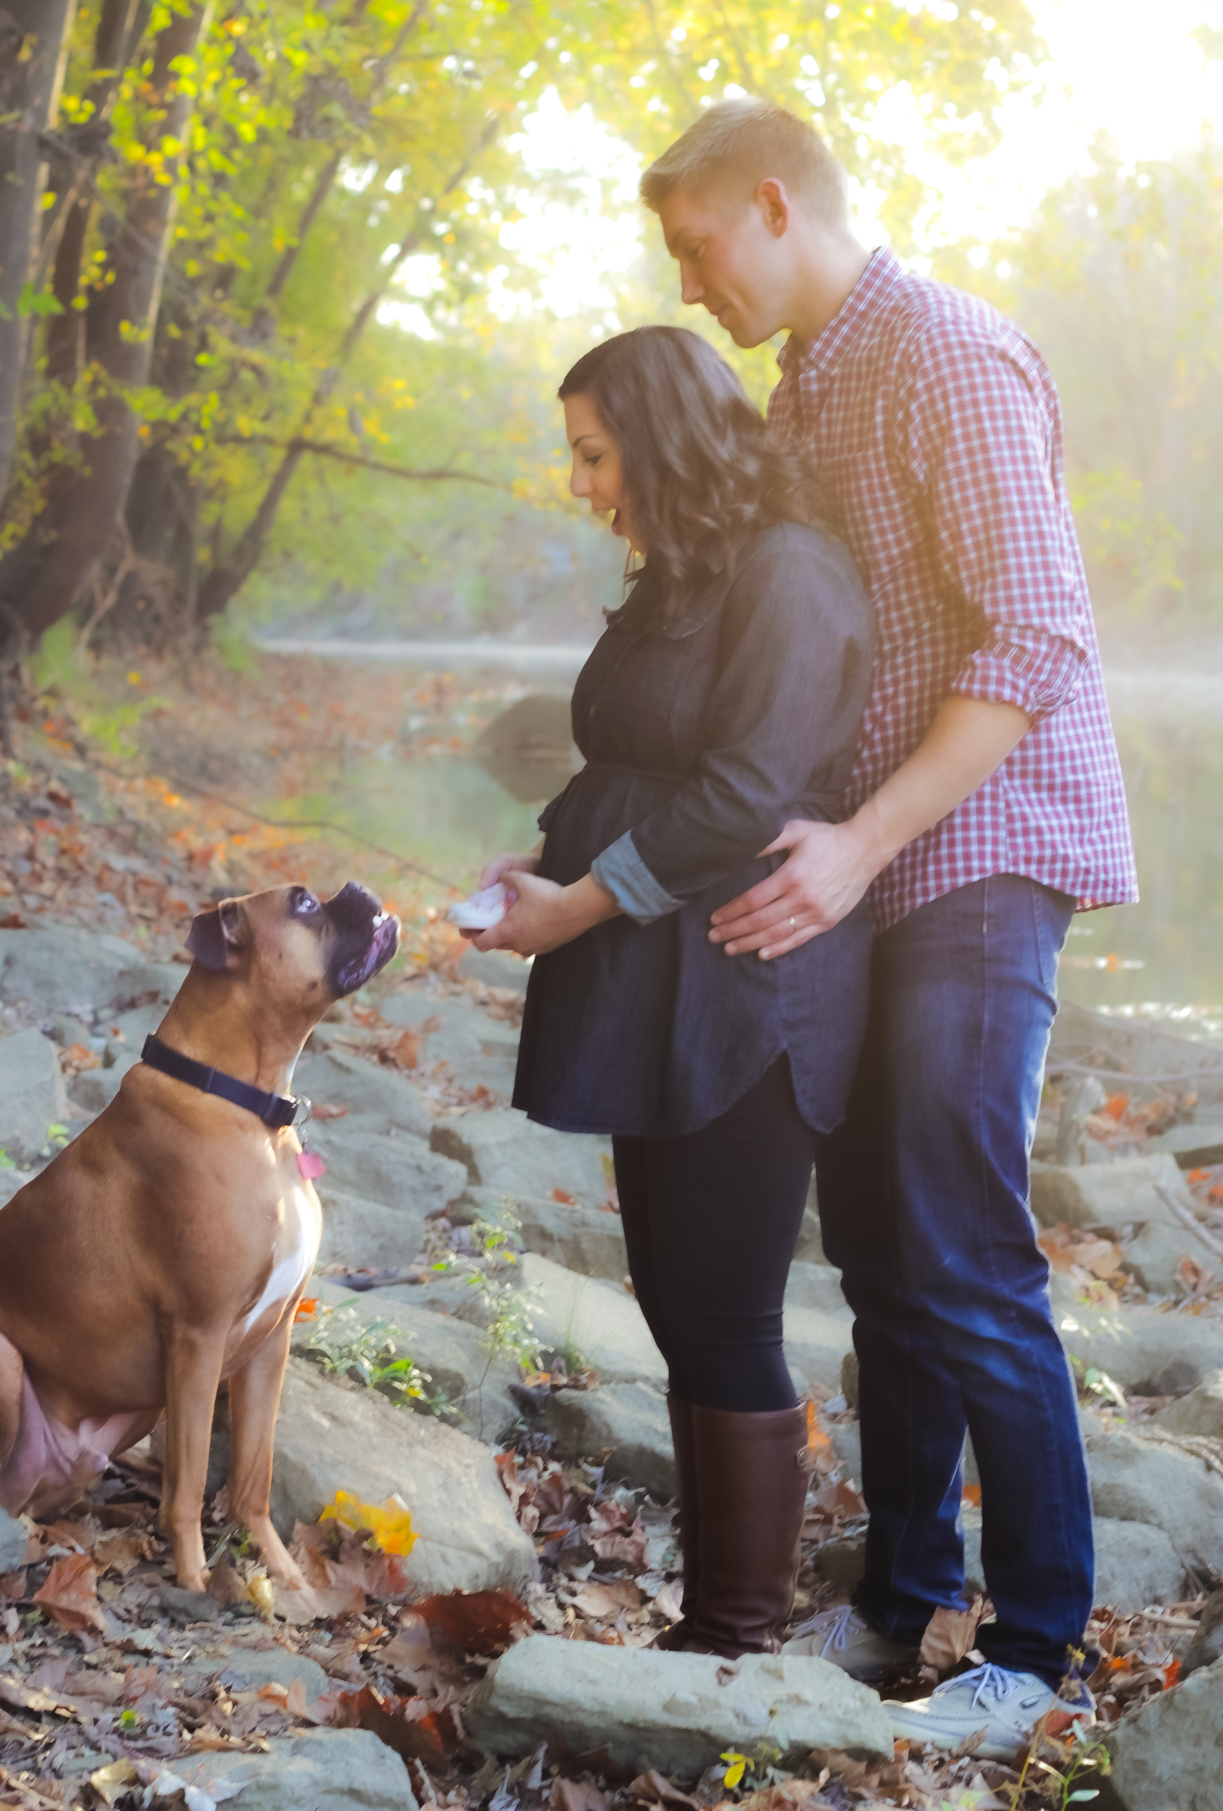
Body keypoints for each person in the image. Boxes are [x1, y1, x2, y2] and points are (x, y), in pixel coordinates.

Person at [620, 98, 1137, 1758]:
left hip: (977, 850)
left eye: (697, 245)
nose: (690, 281)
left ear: (772, 206)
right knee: (876, 1249)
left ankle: (1037, 1645)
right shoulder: (811, 381)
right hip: (869, 866)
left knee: (961, 1243)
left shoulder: (946, 355)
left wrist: (852, 846)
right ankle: (902, 1595)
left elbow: (1036, 636)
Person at [467, 324, 874, 1658]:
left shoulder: (792, 576)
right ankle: (711, 1625)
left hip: (746, 979)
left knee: (722, 1307)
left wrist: (576, 903)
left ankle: (736, 1633)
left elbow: (747, 792)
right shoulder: (673, 579)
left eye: (593, 453)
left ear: (659, 437)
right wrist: (546, 854)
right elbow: (635, 761)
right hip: (651, 970)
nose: (581, 484)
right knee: (670, 1295)